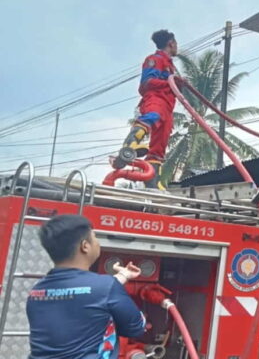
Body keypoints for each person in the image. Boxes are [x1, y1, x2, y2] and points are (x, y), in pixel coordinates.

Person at [26, 215, 146, 359]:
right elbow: (136, 328)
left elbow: (84, 294)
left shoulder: (36, 290)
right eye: (95, 238)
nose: (97, 243)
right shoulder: (106, 287)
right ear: (85, 246)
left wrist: (123, 276)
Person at [113, 29, 179, 191]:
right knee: (151, 116)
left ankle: (152, 180)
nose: (177, 47)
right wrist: (171, 83)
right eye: (176, 43)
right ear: (171, 43)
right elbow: (147, 82)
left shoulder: (171, 66)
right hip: (156, 98)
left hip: (168, 106)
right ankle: (130, 145)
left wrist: (178, 83)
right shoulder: (154, 59)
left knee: (160, 144)